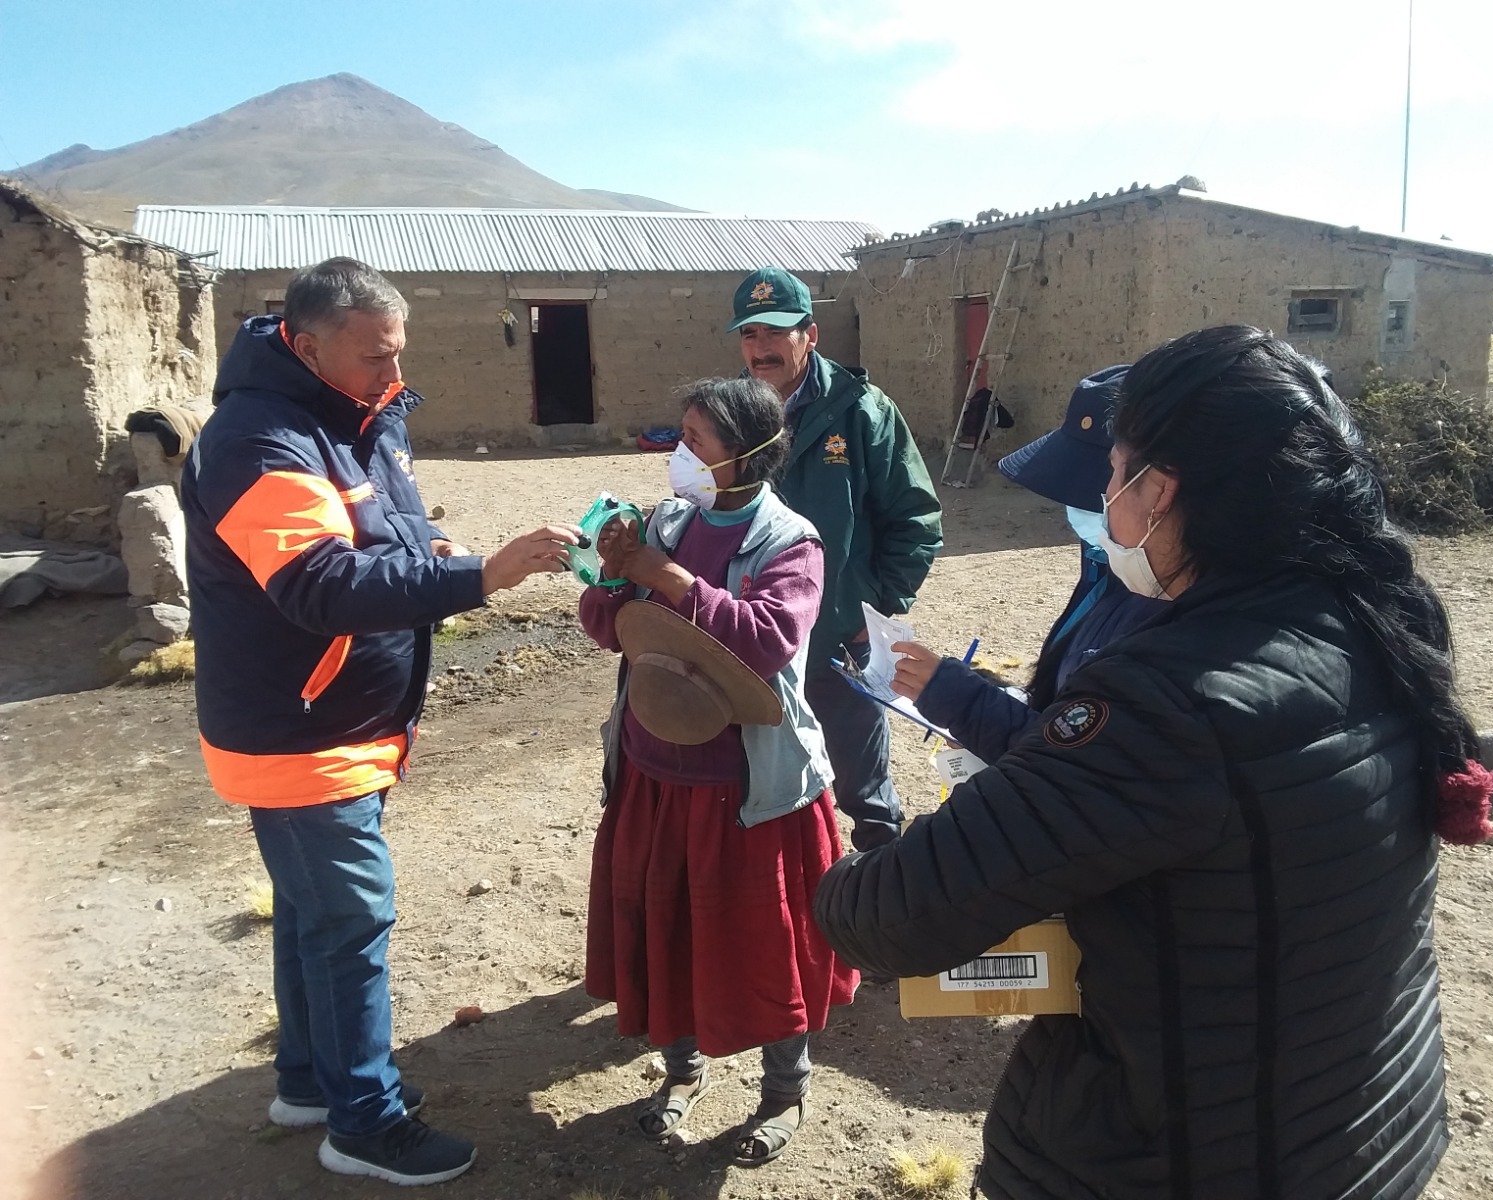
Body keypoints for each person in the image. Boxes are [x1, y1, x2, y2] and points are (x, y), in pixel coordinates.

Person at [814, 326, 1493, 1200]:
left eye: (1113, 471)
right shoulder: (1373, 617)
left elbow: (893, 914)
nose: (1102, 495)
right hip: (1363, 1127)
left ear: (1160, 490)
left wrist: (822, 868)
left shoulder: (1172, 697)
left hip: (1193, 1158)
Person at [181, 258, 581, 1186]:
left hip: (340, 726)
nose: (392, 378)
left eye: (398, 356)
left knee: (312, 916)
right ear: (308, 345)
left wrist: (433, 549)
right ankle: (363, 1123)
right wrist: (484, 573)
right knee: (352, 920)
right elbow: (316, 584)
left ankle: (308, 1084)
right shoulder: (258, 440)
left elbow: (380, 528)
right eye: (373, 360)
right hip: (300, 735)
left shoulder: (357, 416)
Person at [578, 376, 857, 1167]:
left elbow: (764, 642)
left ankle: (783, 1091)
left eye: (696, 443)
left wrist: (660, 573)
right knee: (669, 931)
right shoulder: (668, 521)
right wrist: (609, 573)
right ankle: (681, 1071)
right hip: (654, 775)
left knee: (768, 944)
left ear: (749, 457)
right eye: (681, 437)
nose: (680, 456)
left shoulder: (789, 543)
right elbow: (606, 625)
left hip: (747, 793)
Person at [728, 266, 943, 851]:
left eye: (776, 332)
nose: (761, 348)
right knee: (761, 780)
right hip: (753, 638)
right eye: (749, 334)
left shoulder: (862, 411)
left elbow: (916, 518)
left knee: (863, 788)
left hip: (839, 636)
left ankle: (881, 903)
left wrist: (871, 608)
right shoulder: (729, 416)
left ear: (810, 334)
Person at [889, 365, 1166, 765]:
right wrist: (1002, 700)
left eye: (1102, 485)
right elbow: (1068, 707)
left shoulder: (1164, 605)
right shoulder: (1109, 563)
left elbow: (1084, 763)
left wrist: (966, 703)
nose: (1085, 502)